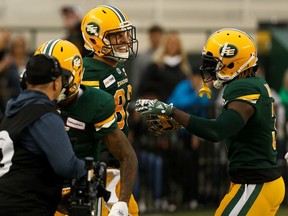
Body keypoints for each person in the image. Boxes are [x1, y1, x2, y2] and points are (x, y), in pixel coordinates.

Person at [135, 28, 285, 215]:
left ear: (233, 61)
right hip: (256, 182)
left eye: (215, 62)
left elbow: (218, 131)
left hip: (255, 184)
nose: (209, 67)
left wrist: (172, 111)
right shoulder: (253, 83)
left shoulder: (243, 87)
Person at [35, 39, 138, 216]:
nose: (50, 85)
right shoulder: (27, 104)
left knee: (130, 210)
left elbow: (127, 155)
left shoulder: (94, 104)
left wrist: (122, 203)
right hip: (41, 186)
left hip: (81, 187)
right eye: (42, 78)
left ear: (75, 76)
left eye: (59, 78)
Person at [0, 53, 86, 216]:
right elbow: (66, 166)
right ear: (56, 83)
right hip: (24, 206)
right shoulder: (44, 114)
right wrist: (90, 171)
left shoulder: (12, 111)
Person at [81, 4, 139, 216]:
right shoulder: (89, 72)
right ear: (96, 39)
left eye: (124, 34)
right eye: (117, 36)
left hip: (118, 157)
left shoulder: (116, 65)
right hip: (100, 162)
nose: (125, 40)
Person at [130, 24, 164, 96]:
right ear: (149, 37)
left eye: (158, 36)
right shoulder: (142, 57)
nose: (156, 39)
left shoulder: (166, 56)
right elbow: (137, 77)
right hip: (145, 95)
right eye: (153, 36)